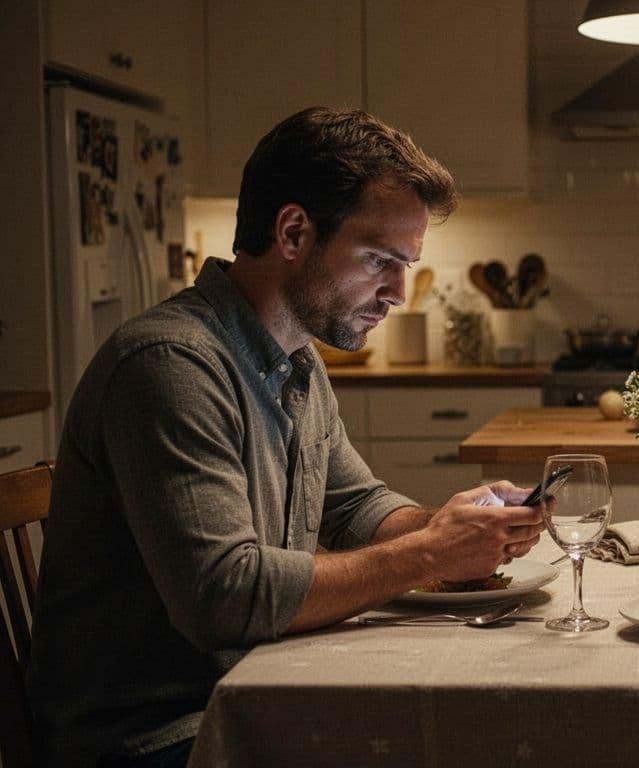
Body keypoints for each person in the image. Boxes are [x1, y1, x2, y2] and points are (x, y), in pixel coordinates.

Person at [27, 107, 545, 767]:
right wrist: (429, 556)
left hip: (252, 689)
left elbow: (354, 505)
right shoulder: (168, 363)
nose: (396, 293)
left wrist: (449, 525)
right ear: (294, 232)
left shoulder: (296, 357)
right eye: (380, 260)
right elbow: (224, 595)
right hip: (154, 738)